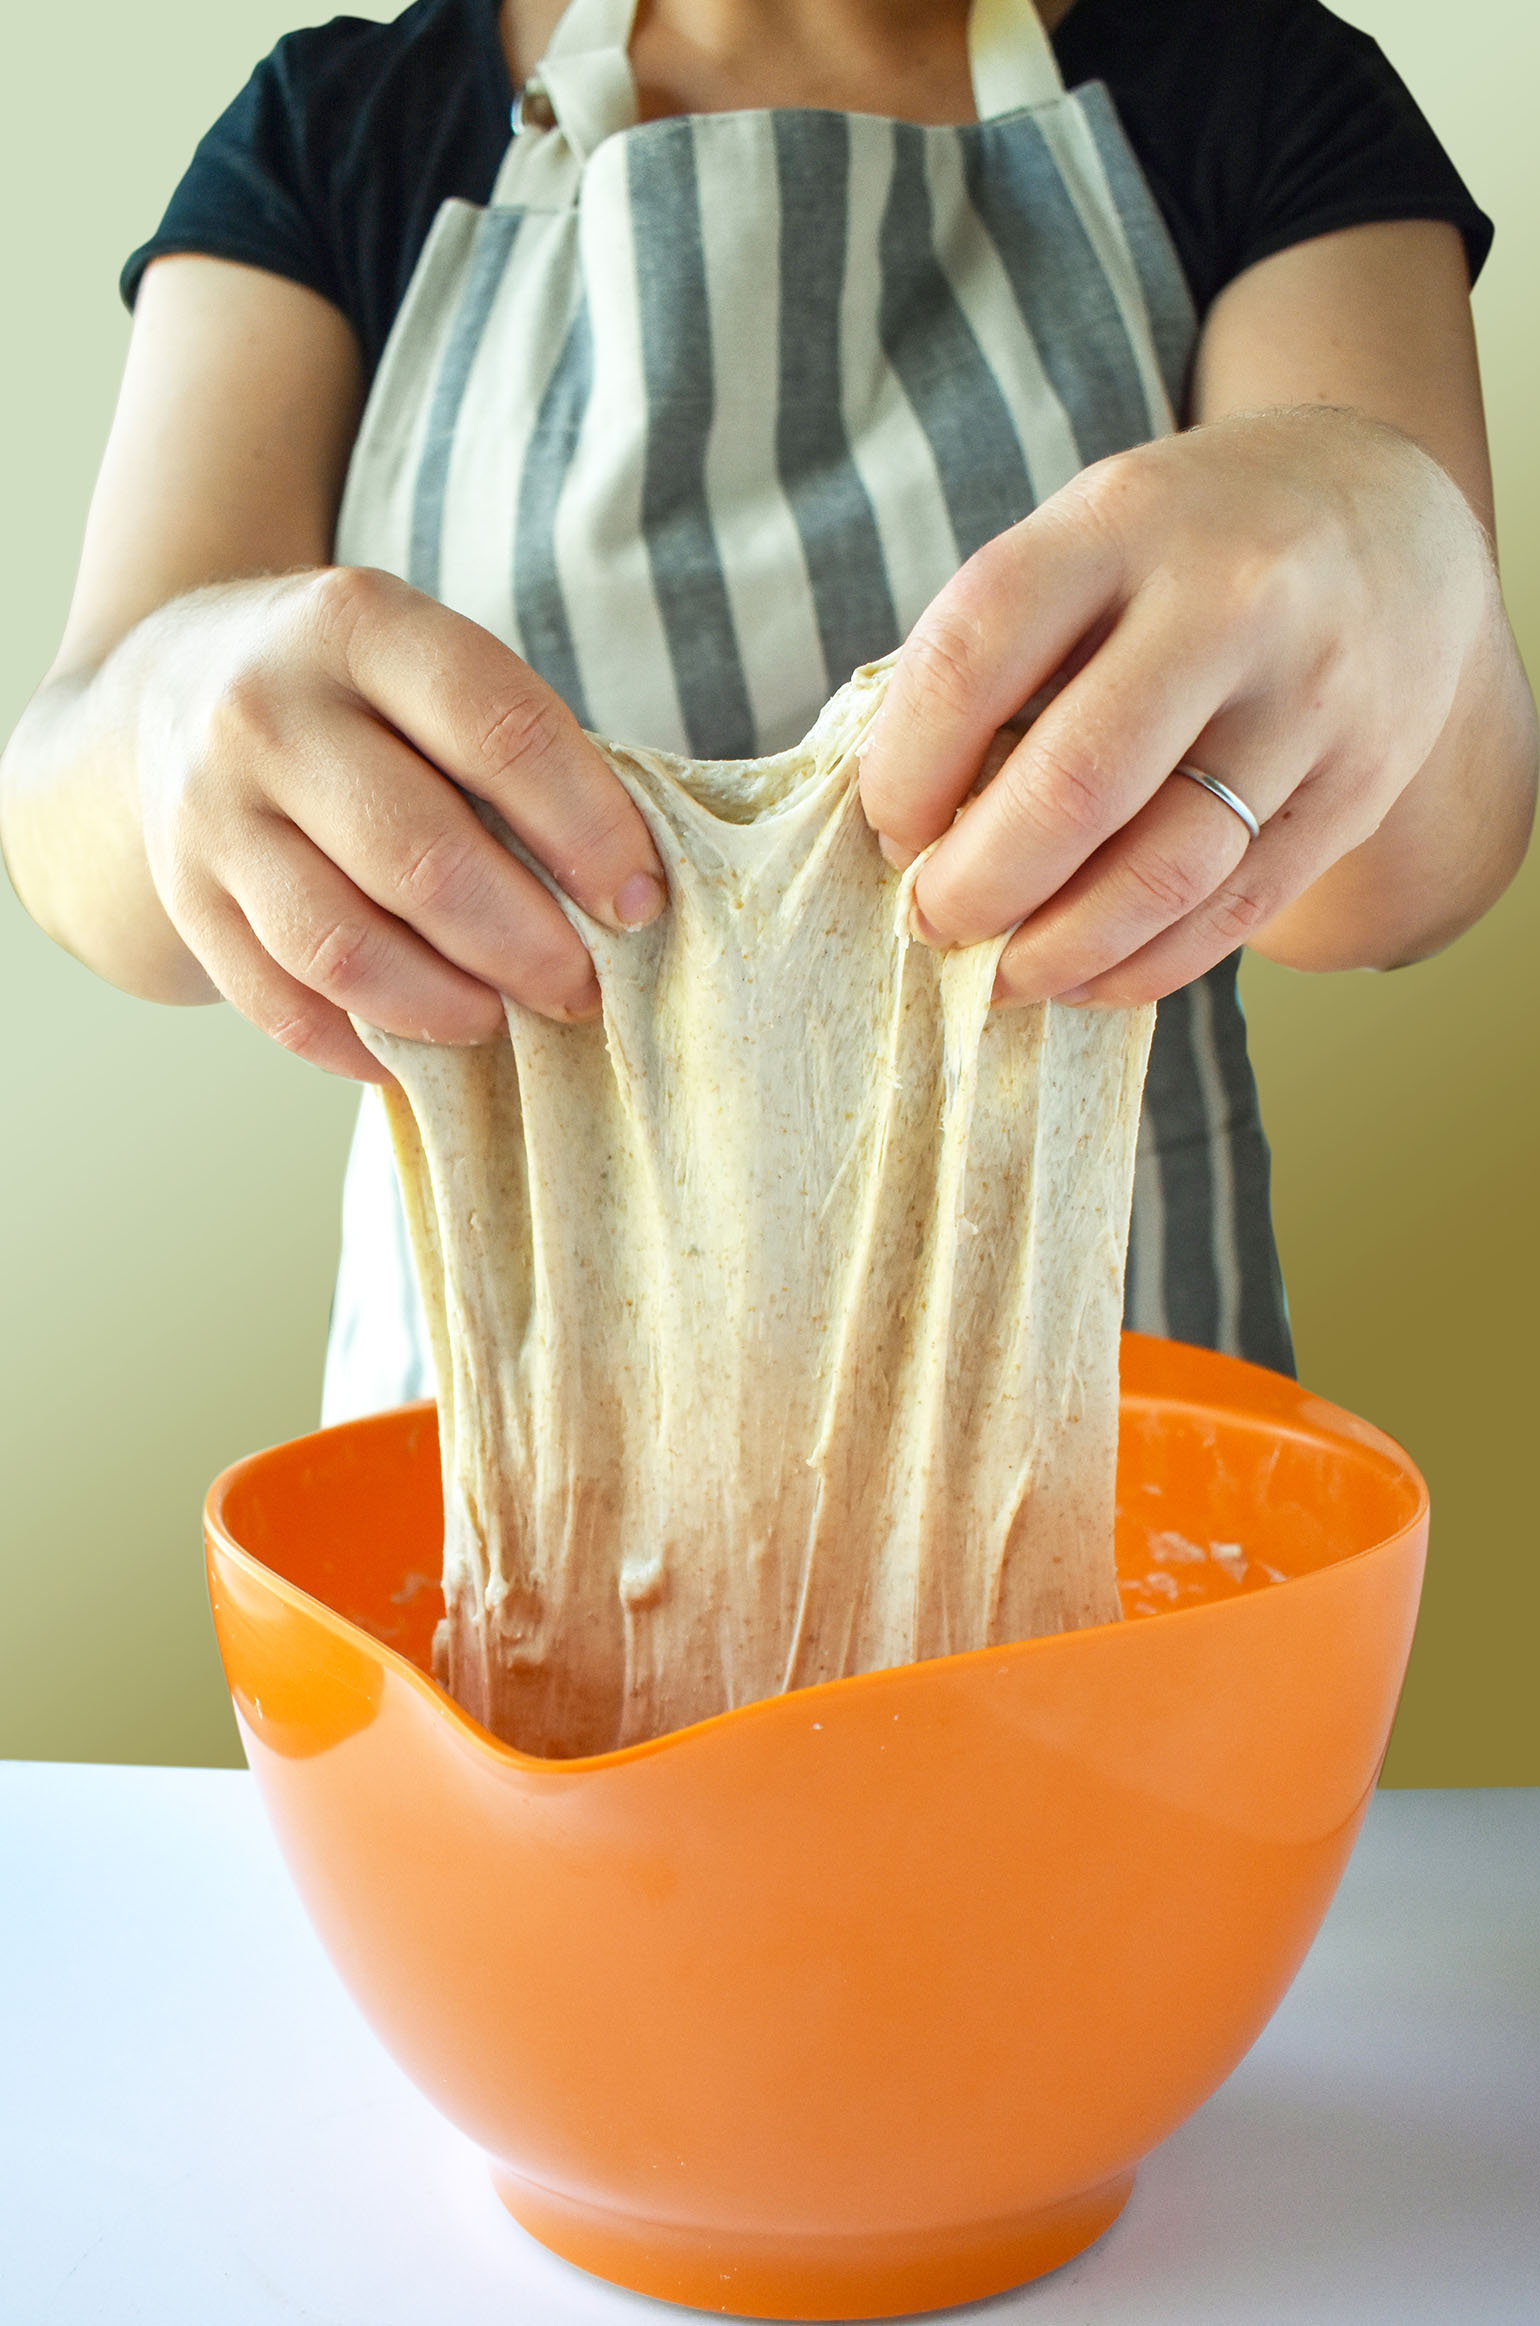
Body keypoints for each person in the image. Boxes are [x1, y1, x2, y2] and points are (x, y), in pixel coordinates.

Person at [1, 0, 1533, 1424]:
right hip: (490, 1428)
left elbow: (1381, 891)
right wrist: (167, 718)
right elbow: (86, 844)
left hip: (1104, 1408)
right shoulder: (337, 132)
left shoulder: (1257, 90)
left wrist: (1389, 535)